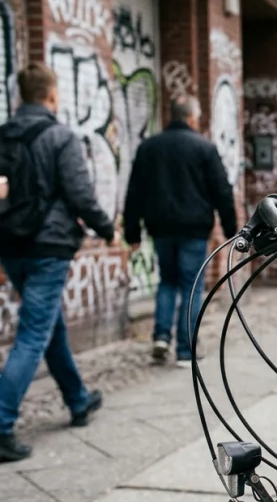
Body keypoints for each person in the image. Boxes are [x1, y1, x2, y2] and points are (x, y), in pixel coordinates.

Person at [0, 63, 115, 461]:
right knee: (34, 333)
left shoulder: (3, 136)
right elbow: (81, 195)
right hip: (49, 247)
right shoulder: (60, 136)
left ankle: (77, 400)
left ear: (20, 95)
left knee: (50, 326)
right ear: (51, 95)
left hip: (11, 245)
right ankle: (1, 424)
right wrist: (107, 228)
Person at [123, 94, 237, 368]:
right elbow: (222, 190)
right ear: (192, 118)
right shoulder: (204, 148)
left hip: (160, 228)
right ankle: (185, 350)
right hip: (193, 229)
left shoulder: (148, 147)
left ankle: (161, 338)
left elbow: (134, 192)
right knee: (192, 286)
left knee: (167, 281)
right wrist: (231, 228)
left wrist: (132, 233)